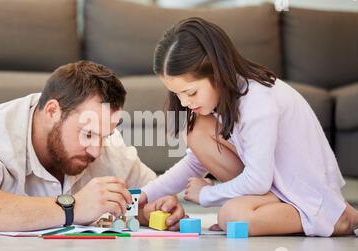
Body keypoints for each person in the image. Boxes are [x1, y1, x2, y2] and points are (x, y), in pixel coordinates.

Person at [0, 60, 185, 233]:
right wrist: (71, 208)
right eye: (87, 134)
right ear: (52, 111)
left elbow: (153, 193)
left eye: (105, 135)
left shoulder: (104, 146)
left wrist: (153, 210)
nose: (96, 150)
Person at [140, 17, 358, 237]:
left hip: (304, 195)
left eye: (191, 92)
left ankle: (336, 217)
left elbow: (257, 181)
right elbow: (197, 161)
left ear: (216, 72)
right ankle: (287, 213)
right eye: (177, 94)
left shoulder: (257, 101)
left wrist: (207, 194)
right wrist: (144, 195)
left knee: (233, 217)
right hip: (275, 190)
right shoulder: (222, 101)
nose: (185, 102)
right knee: (196, 131)